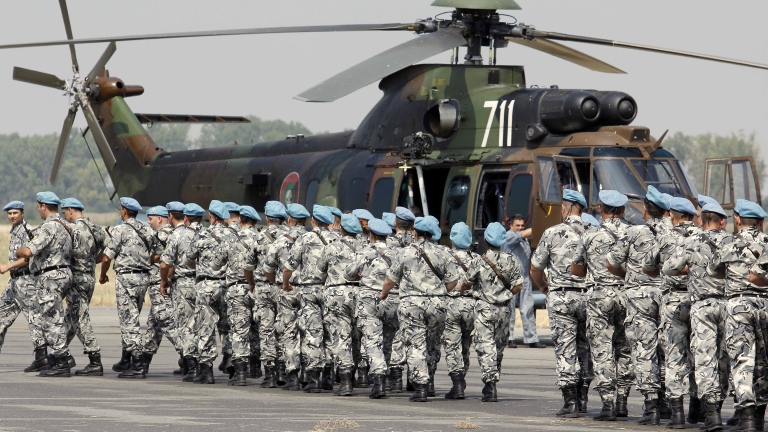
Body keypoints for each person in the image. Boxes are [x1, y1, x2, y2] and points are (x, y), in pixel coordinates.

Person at [663, 201, 730, 430]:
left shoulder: (691, 242)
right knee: (723, 359)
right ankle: (717, 407)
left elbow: (669, 268)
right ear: (723, 221)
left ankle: (711, 415)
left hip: (701, 307)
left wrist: (691, 267)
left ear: (702, 220)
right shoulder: (731, 241)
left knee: (704, 358)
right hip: (727, 306)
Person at [606, 186, 670, 425]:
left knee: (644, 350)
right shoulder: (675, 233)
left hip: (640, 297)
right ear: (666, 212)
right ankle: (668, 403)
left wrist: (631, 279)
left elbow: (611, 262)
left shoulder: (635, 232)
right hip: (668, 295)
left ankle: (651, 406)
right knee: (668, 350)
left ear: (646, 210)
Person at [572, 190, 634, 421]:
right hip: (627, 296)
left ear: (601, 209)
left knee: (601, 349)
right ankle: (623, 400)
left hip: (599, 297)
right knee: (625, 348)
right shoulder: (633, 233)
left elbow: (576, 270)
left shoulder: (590, 235)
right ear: (623, 210)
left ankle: (607, 403)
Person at [382, 216, 457, 402]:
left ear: (414, 232)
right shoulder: (444, 252)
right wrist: (438, 293)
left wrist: (384, 294)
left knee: (416, 345)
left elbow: (390, 279)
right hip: (438, 304)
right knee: (432, 344)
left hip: (412, 304)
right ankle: (430, 381)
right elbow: (453, 281)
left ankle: (421, 387)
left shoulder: (404, 253)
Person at [709, 199, 768, 430]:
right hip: (765, 304)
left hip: (737, 306)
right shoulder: (767, 242)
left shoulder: (728, 244)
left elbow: (713, 271)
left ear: (737, 220)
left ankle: (746, 419)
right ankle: (761, 417)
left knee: (743, 361)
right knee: (764, 362)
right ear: (761, 221)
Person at [531, 189, 590, 418]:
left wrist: (544, 287)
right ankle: (583, 397)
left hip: (561, 298)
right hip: (587, 297)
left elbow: (535, 268)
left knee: (566, 349)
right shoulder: (593, 231)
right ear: (581, 210)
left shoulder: (552, 233)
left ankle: (570, 402)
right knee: (585, 348)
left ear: (564, 209)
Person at [644, 196, 701, 427]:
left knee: (674, 355)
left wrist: (668, 273)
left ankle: (677, 414)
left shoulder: (665, 237)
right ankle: (699, 410)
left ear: (673, 216)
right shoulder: (701, 236)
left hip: (672, 304)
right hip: (697, 300)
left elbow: (648, 267)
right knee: (700, 355)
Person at [459, 222, 523, 402]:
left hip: (484, 308)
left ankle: (490, 385)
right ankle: (494, 377)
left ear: (485, 239)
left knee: (485, 347)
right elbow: (519, 284)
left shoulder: (478, 261)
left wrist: (464, 289)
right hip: (504, 309)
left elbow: (465, 284)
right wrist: (506, 295)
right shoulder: (511, 260)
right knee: (498, 347)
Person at [15, 192, 74, 377]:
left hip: (51, 276)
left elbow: (29, 251)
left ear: (43, 206)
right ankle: (60, 358)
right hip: (64, 272)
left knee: (51, 318)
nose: (38, 209)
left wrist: (19, 250)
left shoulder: (49, 227)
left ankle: (62, 360)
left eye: (39, 206)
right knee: (53, 315)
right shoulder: (65, 225)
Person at [100, 197, 159, 379]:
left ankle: (138, 365)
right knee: (132, 317)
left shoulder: (120, 230)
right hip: (143, 277)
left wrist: (102, 275)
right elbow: (158, 254)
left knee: (129, 322)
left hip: (126, 278)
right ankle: (128, 360)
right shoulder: (147, 229)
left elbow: (107, 257)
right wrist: (143, 263)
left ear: (124, 210)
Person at [283, 205, 338, 392]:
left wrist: (286, 284)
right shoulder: (337, 238)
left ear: (313, 221)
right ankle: (329, 376)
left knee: (313, 334)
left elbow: (289, 266)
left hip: (309, 291)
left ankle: (313, 378)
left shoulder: (305, 238)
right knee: (330, 333)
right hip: (330, 291)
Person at [344, 218, 397, 399]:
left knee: (373, 341)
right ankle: (387, 377)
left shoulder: (364, 253)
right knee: (389, 340)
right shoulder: (398, 253)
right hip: (392, 299)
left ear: (372, 235)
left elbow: (349, 274)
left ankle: (379, 380)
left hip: (369, 300)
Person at [184, 200, 235, 384]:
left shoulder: (202, 234)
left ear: (211, 216)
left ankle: (207, 371)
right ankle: (230, 358)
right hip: (228, 286)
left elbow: (188, 260)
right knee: (228, 326)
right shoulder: (233, 234)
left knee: (206, 328)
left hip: (206, 286)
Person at [263, 203, 310, 391]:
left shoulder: (281, 241)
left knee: (289, 332)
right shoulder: (314, 239)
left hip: (288, 290)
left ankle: (292, 376)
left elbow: (268, 268)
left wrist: (277, 282)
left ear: (289, 220)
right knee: (311, 332)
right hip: (309, 290)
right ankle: (310, 374)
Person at [209, 205, 257, 386]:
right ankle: (265, 371)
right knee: (262, 329)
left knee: (238, 331)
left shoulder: (230, 239)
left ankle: (241, 373)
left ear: (240, 219)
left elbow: (215, 264)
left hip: (237, 289)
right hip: (256, 288)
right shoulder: (261, 237)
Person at [60, 198, 108, 376]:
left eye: (64, 212)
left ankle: (95, 359)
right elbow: (109, 250)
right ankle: (60, 354)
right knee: (71, 317)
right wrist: (91, 260)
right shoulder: (95, 227)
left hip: (77, 279)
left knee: (80, 319)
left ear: (71, 211)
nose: (64, 215)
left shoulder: (71, 229)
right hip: (90, 278)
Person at [317, 214, 362, 396]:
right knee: (357, 337)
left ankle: (344, 381)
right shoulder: (365, 247)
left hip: (336, 294)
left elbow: (320, 271)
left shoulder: (331, 247)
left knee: (341, 336)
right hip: (360, 293)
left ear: (341, 229)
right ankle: (355, 374)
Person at [0, 200, 47, 372]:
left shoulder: (26, 232)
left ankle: (41, 357)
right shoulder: (15, 231)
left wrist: (8, 266)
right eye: (10, 213)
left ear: (22, 213)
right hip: (14, 283)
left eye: (15, 213)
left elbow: (28, 257)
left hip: (26, 282)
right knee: (1, 314)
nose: (12, 216)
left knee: (34, 318)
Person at [160, 202, 204, 381]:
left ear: (185, 218)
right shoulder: (206, 233)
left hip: (184, 284)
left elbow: (165, 263)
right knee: (201, 325)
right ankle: (203, 365)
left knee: (186, 326)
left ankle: (191, 366)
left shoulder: (178, 235)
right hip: (202, 283)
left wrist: (164, 281)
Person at [250, 201, 288, 388]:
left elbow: (248, 266)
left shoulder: (259, 238)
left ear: (267, 218)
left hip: (264, 288)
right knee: (284, 328)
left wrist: (251, 285)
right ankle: (283, 369)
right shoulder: (292, 237)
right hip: (283, 287)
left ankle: (270, 373)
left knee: (266, 329)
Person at [142, 205, 179, 374]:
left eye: (150, 219)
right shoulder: (175, 234)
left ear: (160, 219)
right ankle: (143, 361)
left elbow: (151, 258)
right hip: (168, 282)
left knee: (165, 320)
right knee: (154, 324)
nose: (149, 223)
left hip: (160, 284)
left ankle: (190, 355)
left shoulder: (159, 235)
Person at [443, 222, 477, 400]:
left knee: (452, 345)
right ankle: (461, 377)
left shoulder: (445, 257)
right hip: (471, 306)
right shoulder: (477, 259)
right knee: (465, 344)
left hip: (451, 304)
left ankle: (457, 383)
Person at [502, 214, 544, 349]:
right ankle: (509, 337)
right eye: (517, 226)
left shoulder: (524, 240)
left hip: (525, 278)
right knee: (510, 310)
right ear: (511, 226)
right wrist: (543, 225)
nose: (520, 228)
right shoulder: (509, 236)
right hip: (511, 279)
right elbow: (526, 233)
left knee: (528, 309)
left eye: (522, 226)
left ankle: (531, 338)